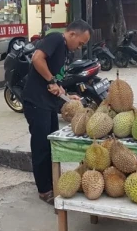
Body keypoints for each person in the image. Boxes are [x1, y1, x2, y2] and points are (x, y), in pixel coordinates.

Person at [22, 20, 92, 205]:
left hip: (48, 105)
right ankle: (44, 190)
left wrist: (68, 96)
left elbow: (55, 81)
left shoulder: (65, 51)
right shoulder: (55, 39)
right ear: (72, 34)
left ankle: (51, 183)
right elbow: (37, 58)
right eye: (80, 43)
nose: (79, 47)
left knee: (51, 146)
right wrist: (51, 80)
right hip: (37, 103)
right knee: (41, 147)